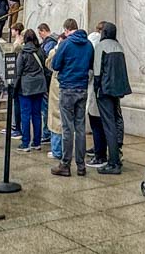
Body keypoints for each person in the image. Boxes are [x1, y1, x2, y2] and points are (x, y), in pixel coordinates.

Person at [49, 18, 93, 177]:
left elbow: (55, 65)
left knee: (67, 128)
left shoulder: (66, 44)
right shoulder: (88, 45)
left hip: (67, 87)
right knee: (80, 127)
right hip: (82, 87)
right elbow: (90, 64)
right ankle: (81, 166)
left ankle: (65, 164)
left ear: (67, 29)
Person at [93, 21, 130, 176]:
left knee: (109, 126)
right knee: (114, 123)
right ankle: (115, 158)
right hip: (117, 90)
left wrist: (96, 88)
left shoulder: (101, 46)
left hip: (105, 90)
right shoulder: (119, 47)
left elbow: (96, 71)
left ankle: (113, 162)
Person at [16, 29, 47, 152]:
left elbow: (18, 72)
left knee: (25, 115)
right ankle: (37, 142)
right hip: (39, 85)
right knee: (37, 114)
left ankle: (25, 142)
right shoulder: (40, 51)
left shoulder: (23, 52)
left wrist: (15, 87)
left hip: (26, 86)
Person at [85, 27, 107, 167]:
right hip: (103, 93)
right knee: (99, 125)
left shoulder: (96, 52)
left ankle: (100, 155)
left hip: (96, 92)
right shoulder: (107, 49)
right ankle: (98, 150)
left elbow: (91, 75)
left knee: (96, 124)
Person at [37, 24, 56, 147]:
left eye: (40, 33)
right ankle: (47, 132)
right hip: (48, 79)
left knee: (46, 109)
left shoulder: (49, 44)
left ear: (44, 31)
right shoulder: (51, 42)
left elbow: (47, 61)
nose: (40, 36)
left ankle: (47, 133)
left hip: (48, 79)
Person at [45, 34, 63, 161]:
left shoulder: (58, 52)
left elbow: (49, 64)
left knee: (56, 118)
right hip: (68, 86)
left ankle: (57, 150)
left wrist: (55, 51)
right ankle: (61, 149)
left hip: (58, 86)